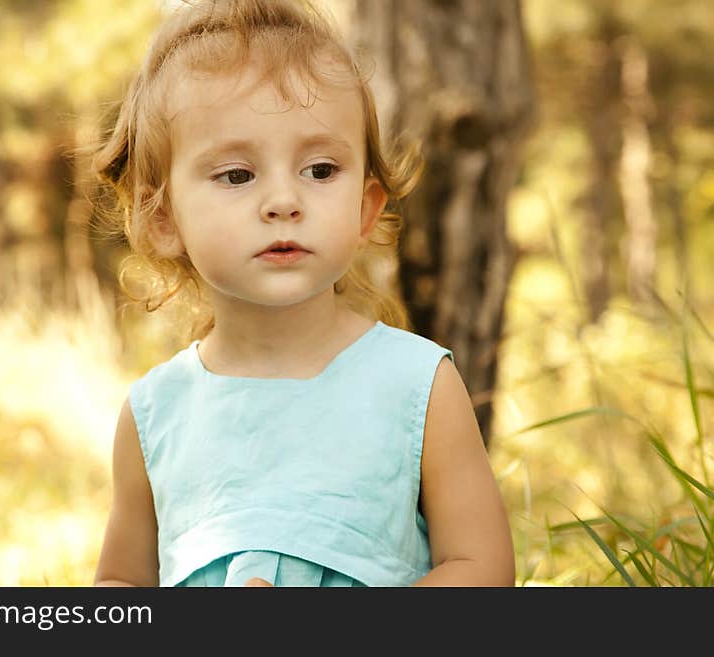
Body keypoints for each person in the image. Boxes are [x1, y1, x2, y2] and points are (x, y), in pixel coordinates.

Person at [92, 0, 514, 587]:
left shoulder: (416, 384)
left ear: (366, 209)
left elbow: (482, 568)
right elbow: (121, 587)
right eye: (237, 175)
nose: (284, 201)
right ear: (162, 218)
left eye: (319, 170)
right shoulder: (155, 413)